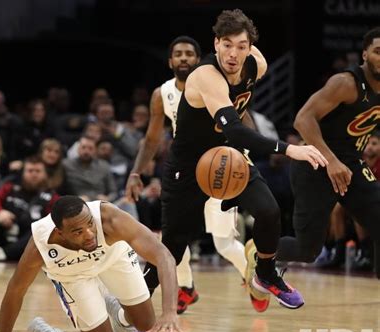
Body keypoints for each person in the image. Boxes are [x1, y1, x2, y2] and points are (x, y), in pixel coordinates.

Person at [141, 9, 328, 311]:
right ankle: (132, 302)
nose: (233, 53)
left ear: (250, 48)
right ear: (215, 44)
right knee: (174, 248)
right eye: (226, 44)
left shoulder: (257, 65)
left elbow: (236, 139)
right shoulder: (205, 76)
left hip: (227, 159)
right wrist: (289, 149)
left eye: (241, 46)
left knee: (269, 212)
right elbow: (238, 132)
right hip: (189, 167)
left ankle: (265, 275)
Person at [126, 35, 252, 314]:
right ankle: (186, 288)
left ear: (199, 59)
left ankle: (252, 278)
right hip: (185, 171)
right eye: (178, 54)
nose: (184, 58)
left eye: (189, 54)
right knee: (174, 237)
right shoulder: (162, 94)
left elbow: (243, 118)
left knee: (223, 244)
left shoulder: (217, 82)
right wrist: (136, 171)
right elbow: (151, 139)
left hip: (218, 168)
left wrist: (247, 154)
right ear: (170, 61)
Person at [0, 195, 181, 332]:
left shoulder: (111, 219)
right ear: (60, 233)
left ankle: (120, 317)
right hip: (72, 274)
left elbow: (164, 257)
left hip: (113, 258)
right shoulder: (40, 245)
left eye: (89, 224)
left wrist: (170, 311)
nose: (89, 234)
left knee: (145, 323)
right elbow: (16, 290)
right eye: (78, 231)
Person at [274, 27, 380, 279]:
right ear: (365, 55)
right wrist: (331, 161)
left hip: (350, 164)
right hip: (315, 162)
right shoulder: (345, 83)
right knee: (307, 249)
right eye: (378, 51)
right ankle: (262, 249)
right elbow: (302, 120)